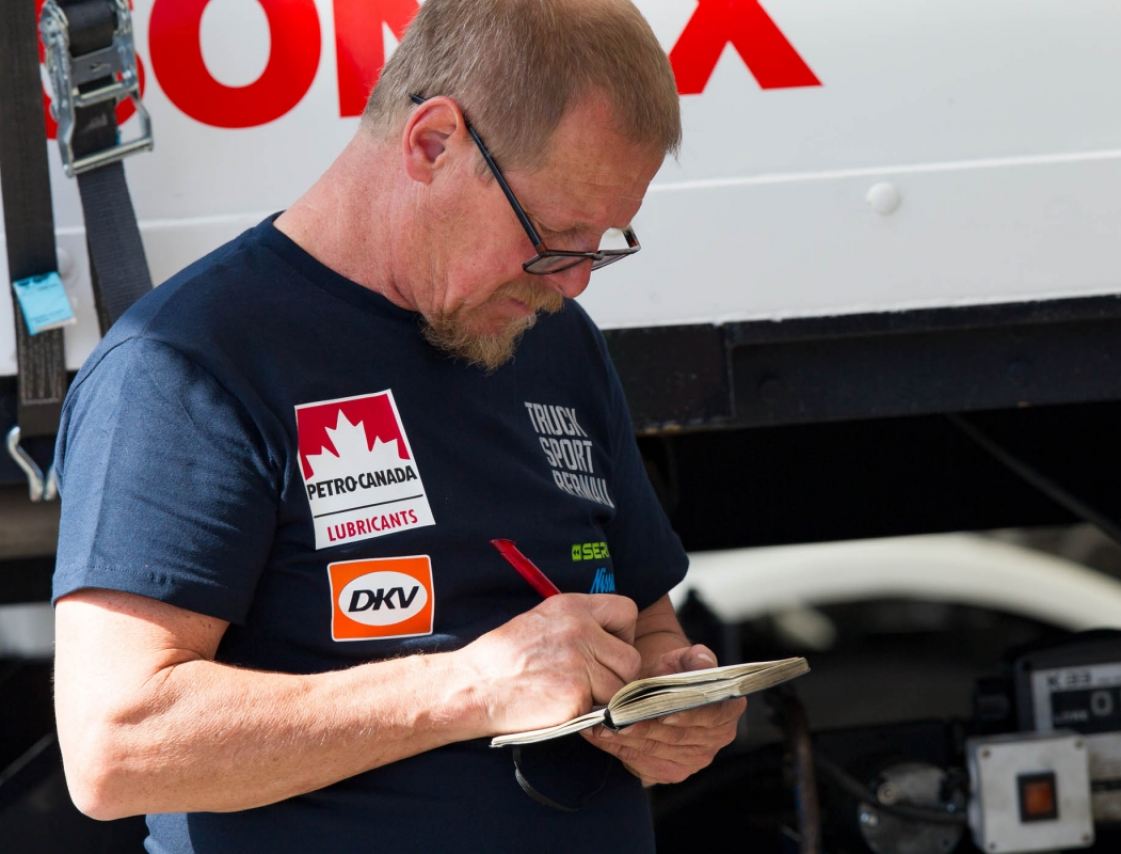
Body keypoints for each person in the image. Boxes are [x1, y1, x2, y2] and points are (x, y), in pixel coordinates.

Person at [50, 1, 745, 851]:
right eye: (556, 235)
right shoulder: (190, 363)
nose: (573, 283)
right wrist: (468, 688)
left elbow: (645, 617)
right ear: (433, 143)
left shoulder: (553, 338)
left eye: (601, 242)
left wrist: (670, 701)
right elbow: (116, 747)